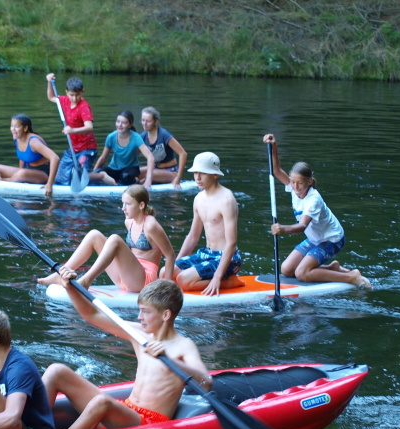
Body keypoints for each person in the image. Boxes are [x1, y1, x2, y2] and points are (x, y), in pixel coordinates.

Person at [43, 277, 212, 429]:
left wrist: (171, 361)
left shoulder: (183, 345)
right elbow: (92, 315)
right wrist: (70, 288)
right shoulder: (138, 334)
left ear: (165, 315)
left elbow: (206, 383)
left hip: (149, 424)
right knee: (56, 371)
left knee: (102, 402)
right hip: (128, 411)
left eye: (145, 312)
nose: (139, 317)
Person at [264, 133, 372, 289]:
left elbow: (302, 227)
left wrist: (283, 229)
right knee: (287, 270)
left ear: (309, 182)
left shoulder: (313, 200)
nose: (295, 187)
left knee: (302, 273)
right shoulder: (294, 189)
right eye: (292, 182)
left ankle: (351, 277)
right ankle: (332, 268)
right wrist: (274, 147)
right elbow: (276, 170)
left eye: (300, 183)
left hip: (332, 239)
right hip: (315, 239)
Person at [37, 184, 175, 292]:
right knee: (94, 235)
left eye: (128, 204)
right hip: (126, 277)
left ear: (141, 205)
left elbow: (170, 255)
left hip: (144, 281)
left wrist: (167, 290)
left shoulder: (151, 225)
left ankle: (86, 281)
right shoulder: (129, 222)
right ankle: (60, 274)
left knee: (114, 239)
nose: (123, 208)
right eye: (122, 203)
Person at [171, 152, 244, 296]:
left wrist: (217, 277)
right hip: (206, 253)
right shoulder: (198, 199)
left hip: (228, 257)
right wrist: (176, 264)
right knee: (166, 273)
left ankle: (229, 281)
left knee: (183, 280)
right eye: (195, 173)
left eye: (203, 173)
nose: (197, 178)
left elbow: (232, 243)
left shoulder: (226, 200)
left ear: (215, 174)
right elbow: (193, 236)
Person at [0, 114, 60, 197]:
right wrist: (21, 176)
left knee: (22, 173)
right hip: (28, 171)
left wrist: (50, 184)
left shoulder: (34, 142)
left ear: (25, 128)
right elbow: (22, 158)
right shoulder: (17, 139)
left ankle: (0, 180)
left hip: (44, 174)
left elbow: (55, 158)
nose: (13, 129)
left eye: (16, 126)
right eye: (12, 126)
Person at [46, 73, 98, 185]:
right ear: (66, 92)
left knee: (78, 176)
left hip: (87, 149)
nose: (74, 98)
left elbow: (89, 127)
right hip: (73, 148)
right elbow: (51, 97)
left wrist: (72, 130)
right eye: (71, 95)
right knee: (60, 178)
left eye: (77, 95)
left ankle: (101, 177)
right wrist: (49, 82)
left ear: (82, 92)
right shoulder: (65, 101)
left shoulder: (84, 106)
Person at [90, 110, 155, 188]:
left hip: (130, 169)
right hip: (113, 169)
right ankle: (113, 180)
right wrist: (93, 175)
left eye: (124, 123)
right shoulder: (111, 137)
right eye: (118, 122)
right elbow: (103, 158)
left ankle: (136, 180)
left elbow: (150, 157)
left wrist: (148, 181)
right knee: (96, 174)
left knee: (125, 177)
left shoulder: (136, 137)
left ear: (130, 125)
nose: (120, 125)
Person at [137, 107, 188, 189]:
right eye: (143, 120)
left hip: (171, 171)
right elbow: (133, 157)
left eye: (148, 121)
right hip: (154, 168)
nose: (144, 124)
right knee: (134, 173)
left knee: (149, 175)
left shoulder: (164, 135)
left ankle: (145, 181)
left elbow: (183, 154)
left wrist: (178, 178)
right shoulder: (142, 136)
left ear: (156, 121)